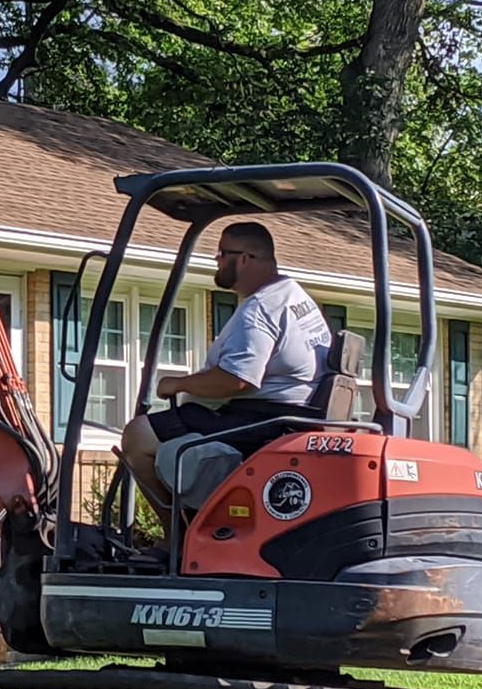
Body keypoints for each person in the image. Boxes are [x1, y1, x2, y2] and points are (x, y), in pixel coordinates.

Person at [119, 221, 333, 518]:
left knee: (137, 435)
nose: (216, 260)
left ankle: (178, 542)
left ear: (245, 258)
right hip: (288, 419)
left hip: (261, 423)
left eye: (221, 253)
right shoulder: (295, 297)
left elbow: (237, 380)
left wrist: (178, 384)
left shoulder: (260, 310)